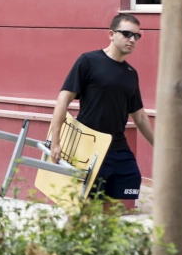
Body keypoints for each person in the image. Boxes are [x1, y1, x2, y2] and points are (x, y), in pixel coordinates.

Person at [50, 13, 155, 213]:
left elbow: (139, 116)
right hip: (88, 145)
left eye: (136, 36)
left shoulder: (131, 74)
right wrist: (56, 142)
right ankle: (78, 241)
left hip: (117, 146)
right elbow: (63, 99)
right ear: (111, 34)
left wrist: (159, 147)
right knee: (84, 209)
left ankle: (102, 240)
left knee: (124, 190)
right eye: (126, 34)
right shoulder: (88, 61)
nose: (132, 40)